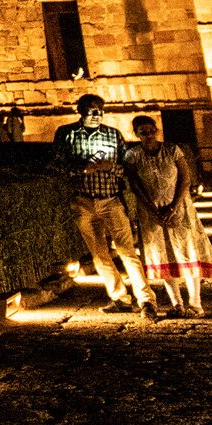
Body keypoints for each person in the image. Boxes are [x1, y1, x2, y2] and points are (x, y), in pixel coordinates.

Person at [52, 93, 154, 313]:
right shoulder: (66, 134)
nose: (97, 114)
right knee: (99, 254)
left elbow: (127, 166)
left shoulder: (112, 135)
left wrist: (108, 167)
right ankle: (119, 297)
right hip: (83, 201)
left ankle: (146, 299)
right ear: (80, 110)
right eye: (91, 109)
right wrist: (82, 168)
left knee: (127, 250)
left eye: (100, 110)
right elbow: (56, 165)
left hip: (111, 200)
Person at [121, 114, 212, 316]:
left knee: (187, 250)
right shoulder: (133, 155)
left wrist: (173, 207)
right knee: (161, 252)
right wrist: (152, 209)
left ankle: (196, 304)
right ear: (136, 134)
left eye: (150, 130)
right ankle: (177, 304)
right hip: (150, 212)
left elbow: (185, 179)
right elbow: (135, 185)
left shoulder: (173, 150)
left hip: (180, 209)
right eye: (142, 132)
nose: (148, 135)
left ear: (157, 130)